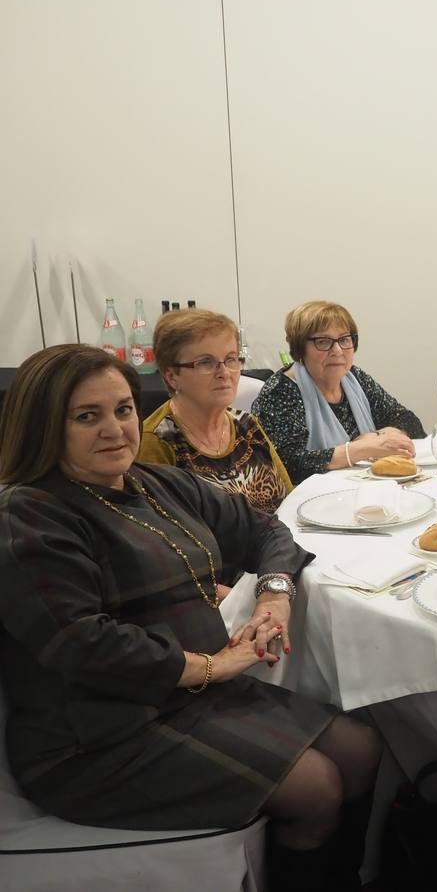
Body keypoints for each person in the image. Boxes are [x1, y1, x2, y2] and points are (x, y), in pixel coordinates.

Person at [0, 345, 382, 891]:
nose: (115, 430)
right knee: (316, 787)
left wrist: (274, 596)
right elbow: (83, 643)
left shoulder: (154, 485)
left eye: (124, 410)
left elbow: (268, 530)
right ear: (43, 425)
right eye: (87, 416)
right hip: (96, 736)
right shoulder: (29, 514)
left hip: (189, 697)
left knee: (363, 749)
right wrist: (214, 666)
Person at [138, 308, 291, 514]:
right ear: (171, 375)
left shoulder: (247, 424)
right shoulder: (157, 442)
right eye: (205, 363)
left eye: (230, 359)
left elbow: (290, 500)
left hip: (281, 541)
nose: (224, 373)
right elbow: (164, 535)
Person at [252, 301, 423, 484]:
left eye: (344, 339)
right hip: (310, 500)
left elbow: (409, 421)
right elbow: (290, 466)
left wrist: (378, 437)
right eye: (323, 342)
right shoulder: (280, 392)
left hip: (362, 490)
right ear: (300, 348)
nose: (337, 350)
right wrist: (361, 448)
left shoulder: (354, 377)